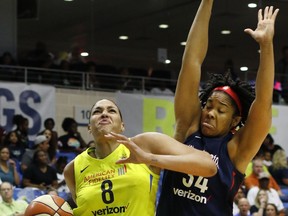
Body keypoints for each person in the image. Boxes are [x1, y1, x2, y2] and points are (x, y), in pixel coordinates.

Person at [155, 0, 279, 215]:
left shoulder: (235, 151)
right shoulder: (188, 128)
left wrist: (266, 46)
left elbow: (263, 102)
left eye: (221, 111)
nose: (210, 113)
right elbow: (192, 61)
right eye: (208, 106)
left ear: (234, 121)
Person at [64, 99, 217, 216]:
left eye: (111, 110)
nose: (104, 113)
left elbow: (209, 165)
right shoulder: (72, 169)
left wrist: (147, 158)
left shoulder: (145, 144)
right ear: (89, 127)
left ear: (122, 125)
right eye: (97, 111)